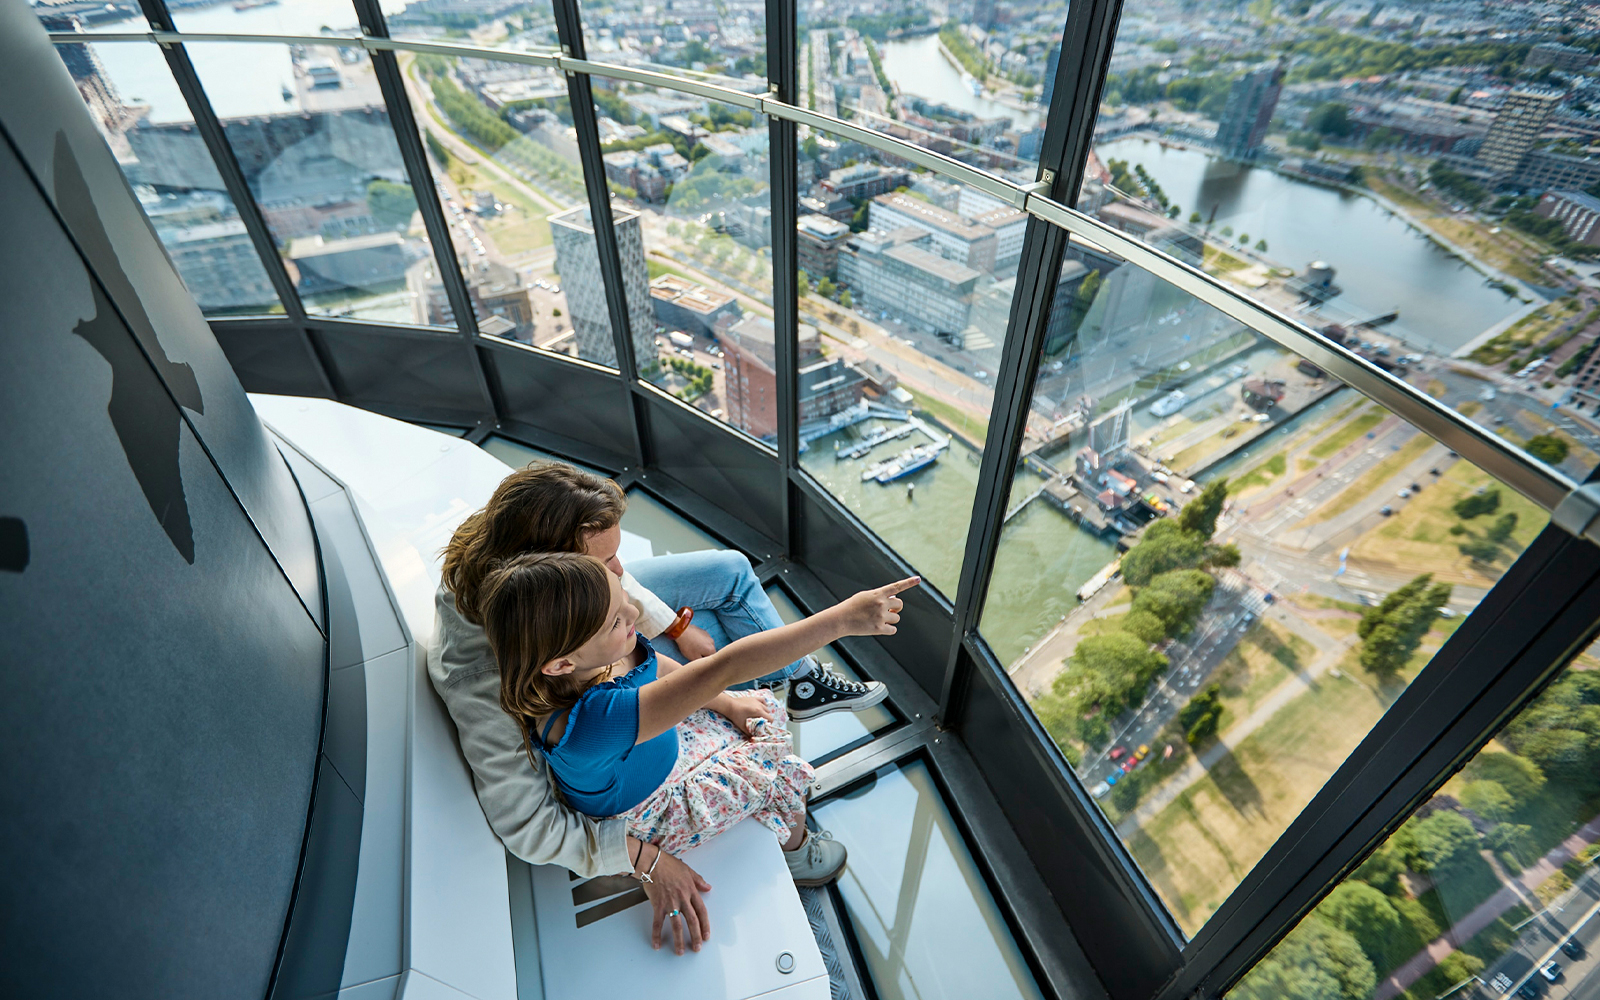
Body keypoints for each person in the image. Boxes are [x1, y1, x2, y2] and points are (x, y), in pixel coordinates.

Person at [428, 462, 887, 954]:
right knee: (768, 769)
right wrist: (645, 860)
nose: (624, 577)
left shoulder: (516, 555)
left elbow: (640, 637)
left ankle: (795, 682)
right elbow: (530, 827)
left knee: (729, 574)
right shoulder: (491, 683)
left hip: (623, 727)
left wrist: (675, 628)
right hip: (637, 796)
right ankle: (796, 845)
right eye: (605, 567)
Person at [477, 550, 916, 898]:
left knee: (748, 713)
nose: (633, 613)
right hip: (648, 807)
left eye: (622, 599)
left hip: (650, 751)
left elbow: (658, 666)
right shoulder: (594, 723)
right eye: (616, 620)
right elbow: (727, 665)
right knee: (774, 766)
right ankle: (797, 850)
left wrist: (725, 704)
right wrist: (841, 620)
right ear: (562, 663)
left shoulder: (596, 657)